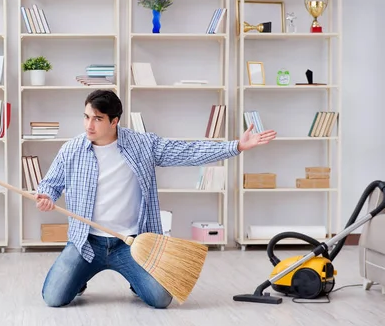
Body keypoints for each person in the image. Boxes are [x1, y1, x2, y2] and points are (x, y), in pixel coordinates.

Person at [35, 89, 276, 308]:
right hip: (86, 242)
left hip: (131, 244)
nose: (89, 125)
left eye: (97, 119)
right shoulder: (72, 149)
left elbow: (187, 152)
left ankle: (135, 277)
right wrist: (46, 196)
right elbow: (50, 183)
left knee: (161, 299)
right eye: (86, 117)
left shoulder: (142, 145)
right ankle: (80, 277)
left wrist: (236, 147)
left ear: (114, 121)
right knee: (54, 298)